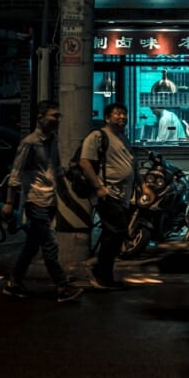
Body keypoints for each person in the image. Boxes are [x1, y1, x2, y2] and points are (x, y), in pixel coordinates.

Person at [0, 100, 84, 303]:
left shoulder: (52, 141)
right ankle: (62, 286)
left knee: (32, 246)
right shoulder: (30, 143)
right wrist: (10, 202)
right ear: (41, 117)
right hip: (35, 200)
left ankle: (14, 283)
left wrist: (68, 200)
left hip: (49, 201)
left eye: (58, 116)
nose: (57, 120)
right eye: (54, 115)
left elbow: (55, 172)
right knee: (49, 244)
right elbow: (16, 173)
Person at [79, 102, 136, 290]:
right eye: (117, 114)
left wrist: (142, 185)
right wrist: (99, 187)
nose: (122, 117)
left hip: (122, 196)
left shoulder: (123, 138)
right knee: (117, 231)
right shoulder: (97, 136)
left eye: (124, 114)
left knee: (112, 235)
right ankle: (102, 275)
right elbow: (85, 163)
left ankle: (101, 269)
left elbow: (132, 164)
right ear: (107, 118)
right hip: (107, 194)